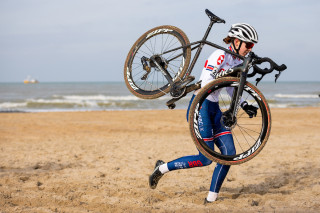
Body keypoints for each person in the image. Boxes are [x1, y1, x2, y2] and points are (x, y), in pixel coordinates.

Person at [149, 23, 259, 203]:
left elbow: (232, 89)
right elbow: (206, 82)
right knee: (205, 159)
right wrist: (223, 74)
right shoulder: (220, 55)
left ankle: (211, 199)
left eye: (252, 46)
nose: (250, 49)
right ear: (237, 41)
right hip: (201, 107)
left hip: (215, 108)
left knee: (228, 154)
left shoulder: (237, 61)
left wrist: (244, 103)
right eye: (249, 45)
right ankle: (161, 169)